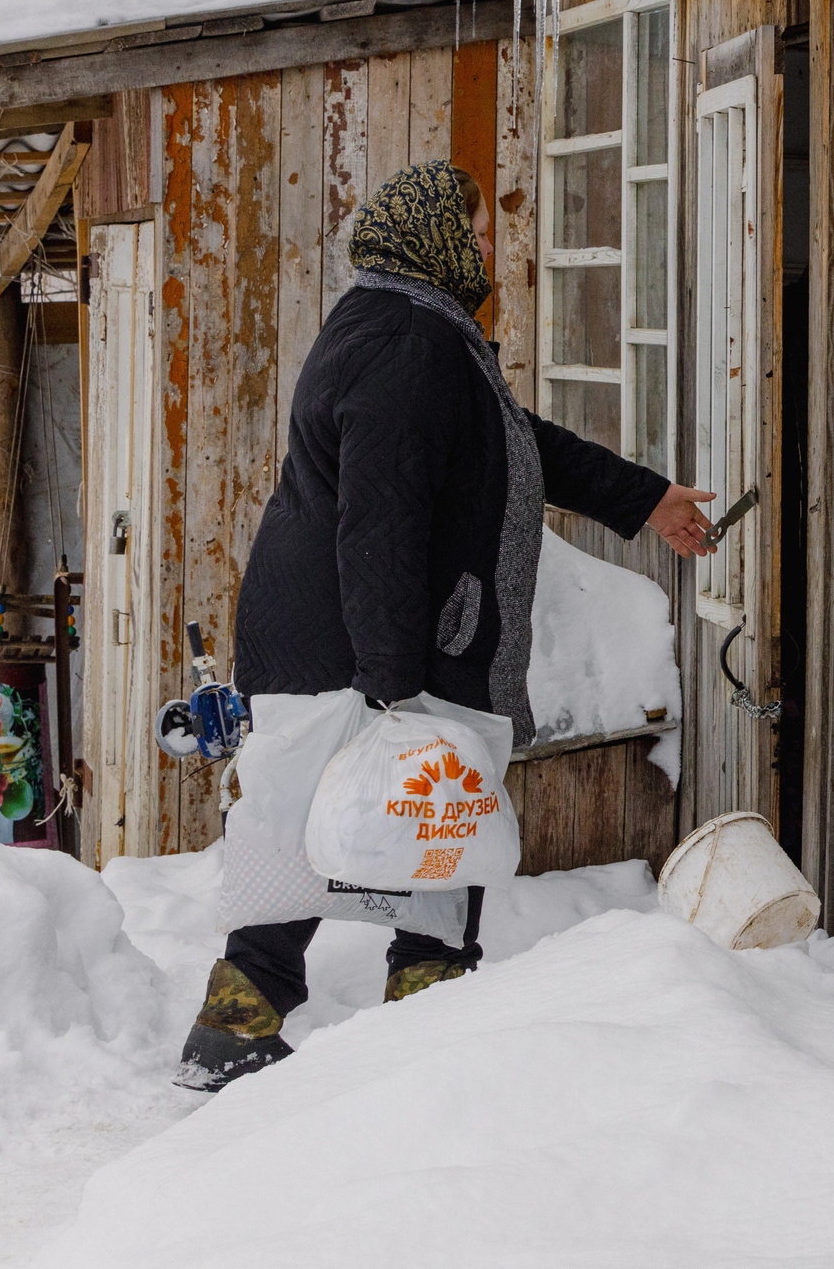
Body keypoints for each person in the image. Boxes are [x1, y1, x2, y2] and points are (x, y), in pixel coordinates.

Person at [176, 159, 713, 1090]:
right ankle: (394, 1033)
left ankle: (267, 1023)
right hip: (363, 648)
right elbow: (379, 518)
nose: (485, 247)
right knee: (422, 812)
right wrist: (393, 684)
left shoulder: (409, 331)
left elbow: (513, 442)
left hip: (345, 641)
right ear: (432, 238)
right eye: (471, 228)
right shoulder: (407, 340)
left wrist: (645, 497)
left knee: (355, 822)